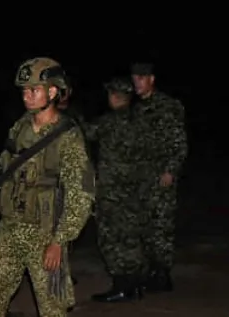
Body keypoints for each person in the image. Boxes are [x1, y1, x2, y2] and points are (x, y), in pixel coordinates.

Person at [0, 57, 94, 317]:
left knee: (52, 307)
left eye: (33, 90)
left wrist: (60, 241)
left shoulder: (68, 137)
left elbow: (81, 194)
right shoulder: (21, 127)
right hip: (10, 227)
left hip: (45, 232)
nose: (27, 97)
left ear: (52, 91)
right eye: (24, 91)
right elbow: (5, 161)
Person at [89, 77, 149, 302]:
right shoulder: (141, 122)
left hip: (112, 191)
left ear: (115, 96)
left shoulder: (109, 122)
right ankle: (135, 284)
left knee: (111, 237)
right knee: (131, 236)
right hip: (135, 189)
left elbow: (85, 133)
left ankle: (122, 285)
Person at [129, 62, 188, 293]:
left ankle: (162, 274)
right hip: (141, 177)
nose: (137, 83)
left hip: (160, 175)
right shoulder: (135, 109)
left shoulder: (168, 106)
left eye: (141, 78)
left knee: (161, 224)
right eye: (134, 79)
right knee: (143, 224)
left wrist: (170, 170)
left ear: (151, 79)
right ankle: (150, 271)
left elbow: (179, 143)